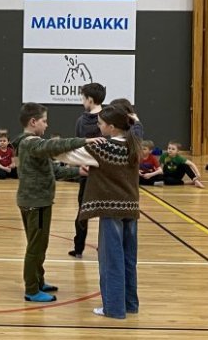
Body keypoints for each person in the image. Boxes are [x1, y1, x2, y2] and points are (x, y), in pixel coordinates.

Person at [57, 105, 141, 319]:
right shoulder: (134, 143)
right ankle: (129, 304)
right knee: (128, 259)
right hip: (131, 208)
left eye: (101, 123)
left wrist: (77, 142)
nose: (98, 126)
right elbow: (137, 126)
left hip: (111, 210)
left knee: (111, 259)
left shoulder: (103, 148)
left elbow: (66, 155)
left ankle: (113, 308)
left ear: (112, 127)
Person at [13, 102, 97, 302]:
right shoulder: (31, 143)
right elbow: (54, 146)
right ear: (33, 122)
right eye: (44, 121)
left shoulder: (33, 145)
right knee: (36, 247)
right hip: (36, 202)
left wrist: (78, 171)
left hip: (37, 200)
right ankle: (31, 289)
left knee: (39, 245)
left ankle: (39, 280)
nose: (47, 125)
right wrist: (84, 141)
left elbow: (54, 171)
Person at [69, 81, 105, 259]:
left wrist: (82, 163)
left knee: (83, 211)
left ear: (90, 100)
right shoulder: (109, 119)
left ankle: (78, 248)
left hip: (90, 172)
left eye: (83, 98)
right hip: (102, 173)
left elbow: (78, 146)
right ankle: (103, 247)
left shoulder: (83, 121)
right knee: (105, 212)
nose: (82, 101)